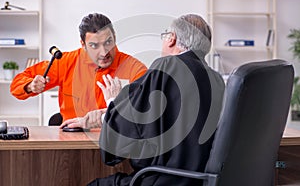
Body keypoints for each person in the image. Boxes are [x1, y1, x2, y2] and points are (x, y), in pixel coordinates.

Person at [61, 14, 225, 186]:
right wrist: (103, 115)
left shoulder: (167, 66)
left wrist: (112, 101)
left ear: (171, 39)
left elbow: (128, 132)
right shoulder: (216, 80)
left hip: (162, 180)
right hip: (200, 182)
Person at [10, 13, 147, 122]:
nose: (104, 52)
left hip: (115, 142)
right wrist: (30, 86)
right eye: (94, 45)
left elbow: (146, 110)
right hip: (72, 141)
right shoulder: (65, 62)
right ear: (83, 44)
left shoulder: (134, 68)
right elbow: (16, 84)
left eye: (108, 42)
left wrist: (107, 112)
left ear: (115, 37)